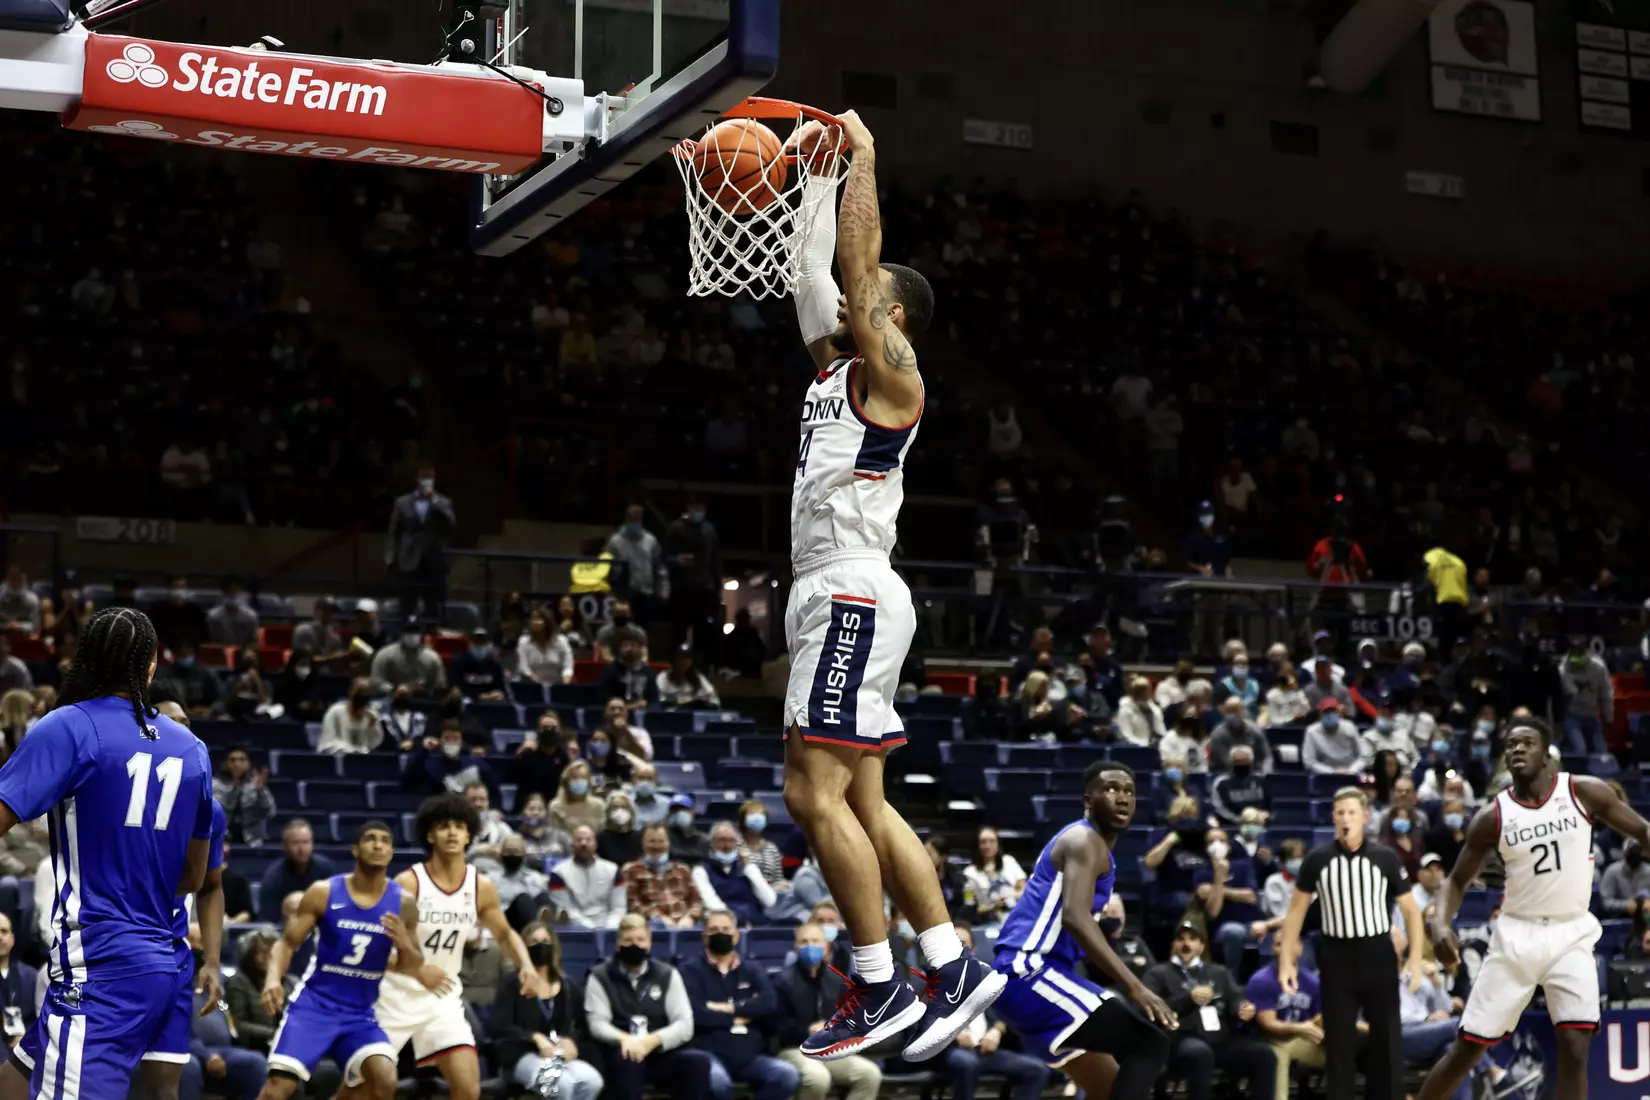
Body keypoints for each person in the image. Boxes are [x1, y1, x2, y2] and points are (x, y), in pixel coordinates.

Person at [779, 110, 999, 1063]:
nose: (847, 303)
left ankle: (879, 985)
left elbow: (858, 276)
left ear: (891, 320)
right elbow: (807, 274)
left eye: (865, 303)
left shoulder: (895, 382)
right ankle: (949, 966)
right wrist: (815, 178)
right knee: (864, 804)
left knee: (810, 796)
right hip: (840, 594)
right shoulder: (833, 369)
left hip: (853, 593)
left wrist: (865, 155)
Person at [0, 607, 214, 1099]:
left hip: (98, 964)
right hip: (160, 962)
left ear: (86, 662)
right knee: (15, 1083)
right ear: (152, 666)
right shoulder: (192, 748)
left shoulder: (70, 726)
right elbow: (193, 876)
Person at [1416, 718, 1650, 1100]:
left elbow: (1642, 832)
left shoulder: (1584, 792)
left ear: (1546, 756)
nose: (1518, 749)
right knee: (1468, 1048)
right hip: (1516, 936)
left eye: (1527, 743)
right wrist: (1440, 924)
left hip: (1571, 933)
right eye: (1511, 745)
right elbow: (1456, 881)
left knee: (1575, 1047)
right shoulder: (1493, 815)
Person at [990, 761, 1175, 1098]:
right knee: (1149, 1043)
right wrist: (1135, 988)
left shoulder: (1094, 847)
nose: (1122, 798)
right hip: (1028, 971)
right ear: (1088, 800)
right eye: (1112, 789)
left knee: (1108, 1086)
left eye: (1129, 792)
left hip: (1037, 977)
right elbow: (1076, 918)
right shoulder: (1084, 839)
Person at [348, 794, 544, 1100]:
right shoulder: (409, 884)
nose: (452, 832)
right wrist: (417, 968)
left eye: (459, 826)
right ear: (430, 835)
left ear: (469, 835)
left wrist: (527, 966)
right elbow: (375, 949)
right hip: (392, 997)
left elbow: (505, 935)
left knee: (468, 1088)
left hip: (441, 998)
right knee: (367, 1090)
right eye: (444, 826)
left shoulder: (481, 887)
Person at [257, 821, 424, 1100]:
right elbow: (286, 944)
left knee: (384, 1080)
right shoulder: (324, 892)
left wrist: (405, 946)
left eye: (385, 840)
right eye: (370, 839)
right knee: (278, 1090)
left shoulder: (403, 904)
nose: (378, 844)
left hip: (360, 1014)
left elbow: (413, 966)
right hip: (314, 1006)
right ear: (355, 850)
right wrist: (273, 979)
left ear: (392, 852)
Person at [1279, 787, 1426, 1100]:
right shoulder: (1317, 859)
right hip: (1336, 957)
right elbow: (1295, 912)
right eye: (1340, 813)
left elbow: (1412, 912)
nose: (1346, 818)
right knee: (1340, 1046)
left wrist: (1413, 959)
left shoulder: (1385, 857)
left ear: (1364, 817)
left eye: (1351, 812)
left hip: (1378, 955)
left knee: (1386, 1042)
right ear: (1333, 817)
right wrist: (1286, 961)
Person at [583, 913, 714, 1100]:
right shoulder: (600, 976)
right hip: (621, 1052)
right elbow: (597, 1024)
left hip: (660, 1051)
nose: (634, 945)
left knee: (697, 1061)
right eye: (628, 940)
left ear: (649, 943)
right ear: (618, 944)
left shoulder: (668, 974)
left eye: (640, 940)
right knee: (628, 1061)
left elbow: (685, 1024)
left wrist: (653, 1040)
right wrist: (625, 1040)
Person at [1143, 922, 1277, 1100]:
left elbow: (1236, 997)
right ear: (1173, 944)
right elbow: (1152, 1009)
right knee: (1201, 1053)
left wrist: (1243, 1008)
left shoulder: (1218, 972)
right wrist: (1189, 999)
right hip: (1181, 1038)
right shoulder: (1158, 974)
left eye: (1192, 939)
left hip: (1221, 1039)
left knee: (1265, 1054)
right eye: (1181, 939)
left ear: (1201, 946)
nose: (1186, 944)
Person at [678, 909, 799, 1100]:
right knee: (717, 1084)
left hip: (751, 1056)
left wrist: (729, 1008)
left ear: (736, 936)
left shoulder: (752, 969)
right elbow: (696, 1014)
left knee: (786, 1076)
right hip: (709, 1053)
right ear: (704, 937)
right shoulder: (689, 970)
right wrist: (740, 1017)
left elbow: (768, 1003)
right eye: (714, 930)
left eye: (726, 929)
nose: (720, 934)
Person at [492, 920, 604, 1100]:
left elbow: (582, 1026)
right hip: (521, 1055)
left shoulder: (567, 985)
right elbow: (500, 1026)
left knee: (592, 1082)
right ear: (524, 948)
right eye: (534, 942)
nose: (541, 946)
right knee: (561, 1085)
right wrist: (534, 1037)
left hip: (558, 1053)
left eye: (545, 941)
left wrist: (570, 1041)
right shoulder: (511, 983)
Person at [940, 923, 1050, 1100]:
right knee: (967, 1063)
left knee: (1035, 1069)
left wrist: (996, 1031)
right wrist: (955, 1035)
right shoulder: (928, 981)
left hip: (983, 1051)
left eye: (962, 944)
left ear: (973, 951)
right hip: (948, 1052)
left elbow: (1003, 1015)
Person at [774, 922, 882, 1100]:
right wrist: (807, 1031)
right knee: (818, 1078)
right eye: (804, 941)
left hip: (828, 1049)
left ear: (826, 946)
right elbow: (777, 1025)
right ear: (795, 947)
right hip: (793, 1048)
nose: (810, 946)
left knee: (870, 1074)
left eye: (816, 941)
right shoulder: (782, 981)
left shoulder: (837, 980)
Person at [1245, 928, 1325, 1100]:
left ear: (1300, 948)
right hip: (1271, 1040)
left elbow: (1318, 1020)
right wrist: (1302, 1027)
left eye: (1289, 943)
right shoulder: (1262, 980)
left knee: (1340, 1053)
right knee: (1276, 1056)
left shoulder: (1312, 981)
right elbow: (1269, 1025)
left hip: (1303, 1041)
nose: (1284, 949)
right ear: (1273, 949)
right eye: (1278, 945)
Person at [386, 462, 456, 624]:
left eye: (430, 477)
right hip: (408, 560)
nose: (427, 480)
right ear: (416, 479)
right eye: (424, 477)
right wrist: (389, 558)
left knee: (433, 606)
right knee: (407, 606)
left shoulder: (444, 503)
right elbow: (393, 532)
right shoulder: (402, 502)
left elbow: (451, 525)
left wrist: (435, 501)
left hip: (434, 560)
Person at [624, 823, 703, 929]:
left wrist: (690, 917)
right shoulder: (632, 870)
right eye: (652, 841)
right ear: (643, 844)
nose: (657, 846)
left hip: (685, 924)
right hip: (651, 926)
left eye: (661, 841)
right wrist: (656, 918)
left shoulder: (682, 869)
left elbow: (696, 901)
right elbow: (632, 903)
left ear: (668, 843)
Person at [257, 819, 338, 923]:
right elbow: (268, 921)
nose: (301, 848)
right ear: (285, 846)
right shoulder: (273, 878)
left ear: (312, 844)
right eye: (295, 843)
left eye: (305, 842)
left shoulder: (326, 869)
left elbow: (336, 908)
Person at [548, 826, 627, 929]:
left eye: (588, 840)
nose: (583, 843)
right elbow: (565, 909)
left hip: (609, 927)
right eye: (579, 840)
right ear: (572, 844)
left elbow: (619, 908)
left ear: (595, 844)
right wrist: (590, 927)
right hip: (575, 929)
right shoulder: (558, 873)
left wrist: (609, 929)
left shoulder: (613, 870)